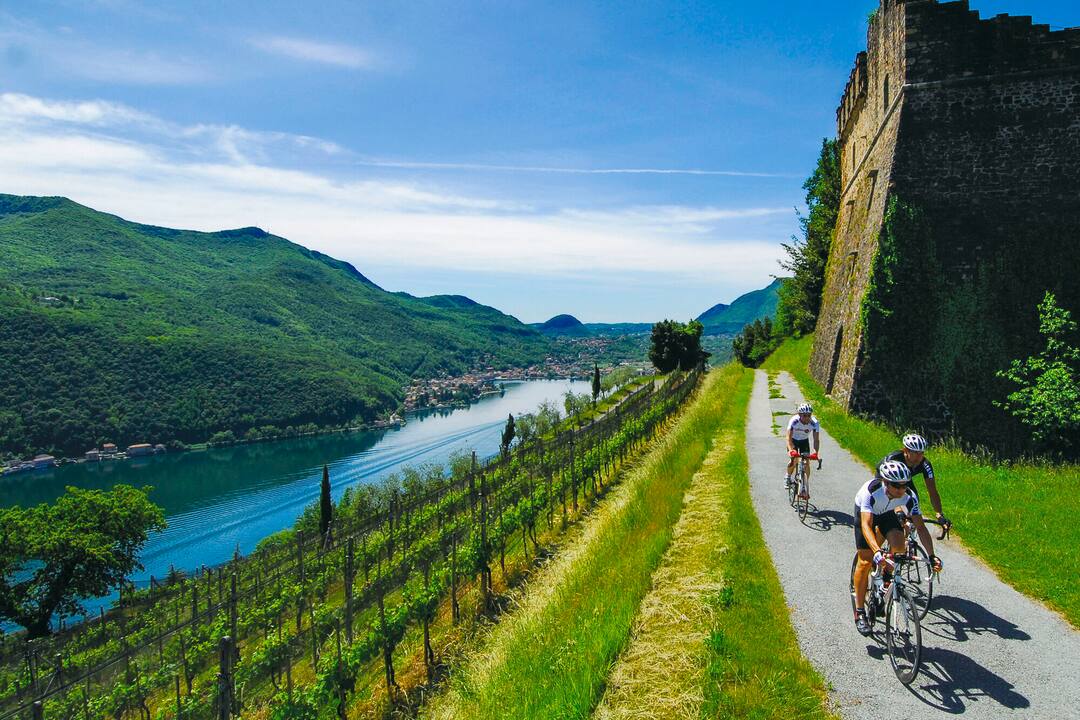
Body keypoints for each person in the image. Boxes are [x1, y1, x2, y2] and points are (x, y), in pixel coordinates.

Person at [852, 460, 942, 635]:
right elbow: (866, 525)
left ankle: (885, 581)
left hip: (887, 514)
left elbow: (921, 527)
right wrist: (877, 552)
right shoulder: (871, 492)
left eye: (904, 485)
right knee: (865, 560)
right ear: (886, 482)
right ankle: (860, 612)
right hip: (867, 514)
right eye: (896, 485)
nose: (901, 489)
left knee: (899, 548)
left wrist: (932, 556)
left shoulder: (909, 497)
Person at [879, 433, 951, 531]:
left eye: (922, 453)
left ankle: (907, 534)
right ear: (905, 450)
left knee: (913, 502)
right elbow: (890, 490)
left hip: (905, 480)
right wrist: (898, 509)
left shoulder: (925, 464)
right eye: (915, 453)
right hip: (887, 480)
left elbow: (932, 491)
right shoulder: (894, 458)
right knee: (890, 505)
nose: (919, 457)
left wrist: (939, 514)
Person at [785, 402, 820, 500]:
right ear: (799, 415)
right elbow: (788, 438)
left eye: (809, 415)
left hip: (804, 441)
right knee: (794, 460)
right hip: (793, 441)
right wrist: (791, 450)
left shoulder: (814, 423)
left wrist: (816, 452)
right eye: (804, 415)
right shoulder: (794, 421)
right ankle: (788, 476)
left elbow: (816, 440)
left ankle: (804, 485)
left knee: (807, 462)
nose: (807, 418)